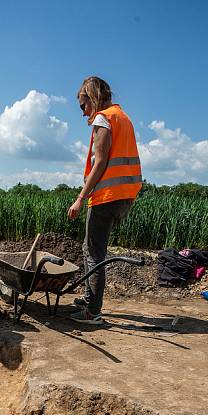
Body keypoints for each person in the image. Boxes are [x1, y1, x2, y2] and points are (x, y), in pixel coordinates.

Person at [67, 77, 142, 325]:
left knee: (94, 253)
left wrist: (80, 198)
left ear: (92, 97)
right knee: (91, 249)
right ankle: (90, 299)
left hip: (106, 196)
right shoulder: (122, 117)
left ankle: (92, 312)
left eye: (82, 105)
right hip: (125, 196)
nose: (83, 112)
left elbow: (100, 163)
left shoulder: (103, 118)